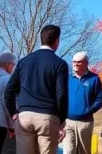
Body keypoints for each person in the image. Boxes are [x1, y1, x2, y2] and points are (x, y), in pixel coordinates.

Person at [5, 24, 70, 154]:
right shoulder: (60, 64)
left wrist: (13, 112)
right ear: (57, 41)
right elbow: (61, 94)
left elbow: (9, 90)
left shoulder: (24, 62)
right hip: (48, 116)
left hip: (25, 116)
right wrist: (61, 120)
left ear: (41, 39)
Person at [64, 51, 102, 154]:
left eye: (79, 62)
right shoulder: (67, 78)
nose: (75, 64)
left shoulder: (94, 79)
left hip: (85, 122)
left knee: (84, 151)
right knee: (69, 151)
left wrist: (90, 110)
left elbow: (101, 98)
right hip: (68, 122)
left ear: (86, 63)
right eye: (74, 62)